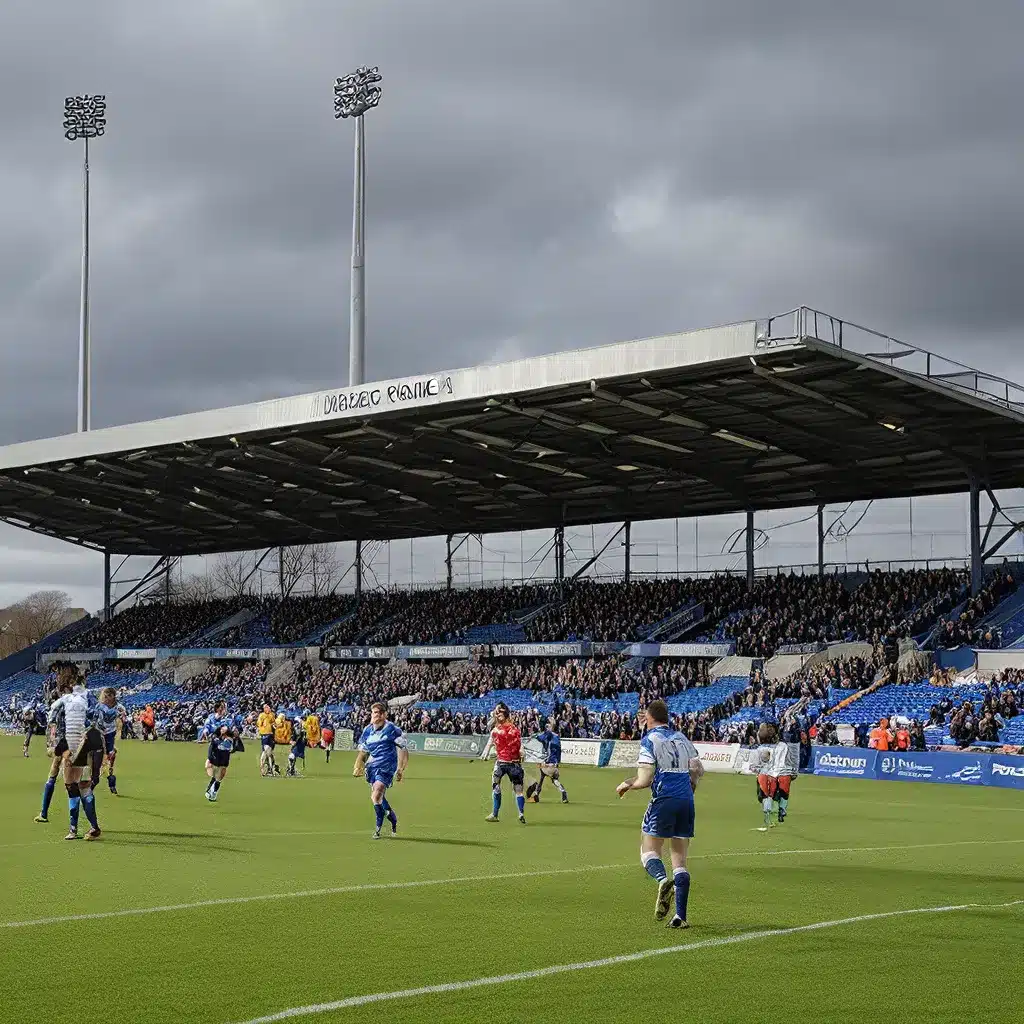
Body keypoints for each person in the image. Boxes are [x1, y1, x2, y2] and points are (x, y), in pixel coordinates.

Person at [616, 699, 703, 929]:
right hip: (686, 799)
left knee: (649, 850)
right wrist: (689, 788)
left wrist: (627, 784)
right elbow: (696, 770)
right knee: (680, 860)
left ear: (650, 717)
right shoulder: (682, 738)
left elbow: (644, 780)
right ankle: (680, 916)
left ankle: (663, 881)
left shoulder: (649, 740)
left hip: (664, 799)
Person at [47, 663, 104, 841]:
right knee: (81, 787)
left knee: (74, 787)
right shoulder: (88, 697)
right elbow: (98, 715)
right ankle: (91, 828)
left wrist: (53, 739)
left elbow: (52, 715)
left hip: (73, 747)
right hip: (82, 747)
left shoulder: (67, 699)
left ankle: (75, 829)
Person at [351, 702, 408, 839]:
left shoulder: (392, 730)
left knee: (376, 795)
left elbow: (403, 749)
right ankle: (392, 819)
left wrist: (400, 768)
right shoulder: (367, 730)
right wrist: (357, 765)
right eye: (374, 713)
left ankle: (378, 828)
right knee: (378, 798)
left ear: (384, 714)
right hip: (372, 767)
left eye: (379, 713)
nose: (376, 715)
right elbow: (363, 752)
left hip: (387, 767)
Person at [484, 703, 527, 824]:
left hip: (501, 763)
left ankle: (495, 814)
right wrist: (522, 753)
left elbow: (491, 742)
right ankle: (521, 813)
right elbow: (520, 746)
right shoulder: (515, 730)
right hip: (515, 764)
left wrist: (486, 755)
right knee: (519, 790)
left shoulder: (496, 730)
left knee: (496, 785)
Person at [90, 688, 127, 796]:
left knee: (109, 758)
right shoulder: (100, 706)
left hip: (109, 735)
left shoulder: (118, 707)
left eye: (107, 696)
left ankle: (110, 781)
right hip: (99, 733)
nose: (104, 698)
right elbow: (94, 720)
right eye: (104, 696)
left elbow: (121, 722)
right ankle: (96, 781)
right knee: (98, 758)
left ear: (112, 697)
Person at [525, 720, 568, 804]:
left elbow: (541, 737)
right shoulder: (557, 738)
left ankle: (536, 795)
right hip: (554, 765)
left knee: (540, 776)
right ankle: (563, 791)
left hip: (547, 764)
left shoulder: (547, 738)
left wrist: (533, 735)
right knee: (554, 779)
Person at [204, 701, 236, 802]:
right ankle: (211, 790)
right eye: (222, 708)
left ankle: (212, 792)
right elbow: (207, 727)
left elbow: (233, 730)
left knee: (220, 773)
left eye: (224, 707)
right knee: (212, 767)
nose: (224, 710)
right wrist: (206, 731)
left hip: (224, 750)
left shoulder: (229, 719)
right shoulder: (211, 718)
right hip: (215, 748)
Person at [256, 704, 277, 777]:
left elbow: (274, 723)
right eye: (266, 708)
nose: (268, 709)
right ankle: (269, 769)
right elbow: (259, 724)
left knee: (269, 752)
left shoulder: (272, 715)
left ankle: (269, 769)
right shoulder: (261, 715)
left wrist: (274, 726)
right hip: (264, 735)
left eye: (269, 707)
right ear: (264, 709)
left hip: (271, 735)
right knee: (267, 752)